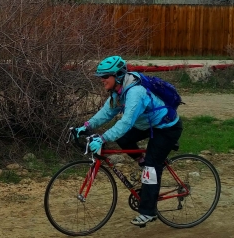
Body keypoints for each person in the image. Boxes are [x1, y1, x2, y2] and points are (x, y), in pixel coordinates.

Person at [75, 56, 183, 227]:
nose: (102, 80)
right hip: (148, 125)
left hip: (167, 128)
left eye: (105, 76)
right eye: (101, 77)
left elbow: (126, 122)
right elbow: (106, 113)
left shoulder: (134, 93)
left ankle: (148, 212)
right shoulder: (119, 91)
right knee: (124, 140)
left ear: (117, 76)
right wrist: (85, 126)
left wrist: (102, 138)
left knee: (151, 167)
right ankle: (144, 163)